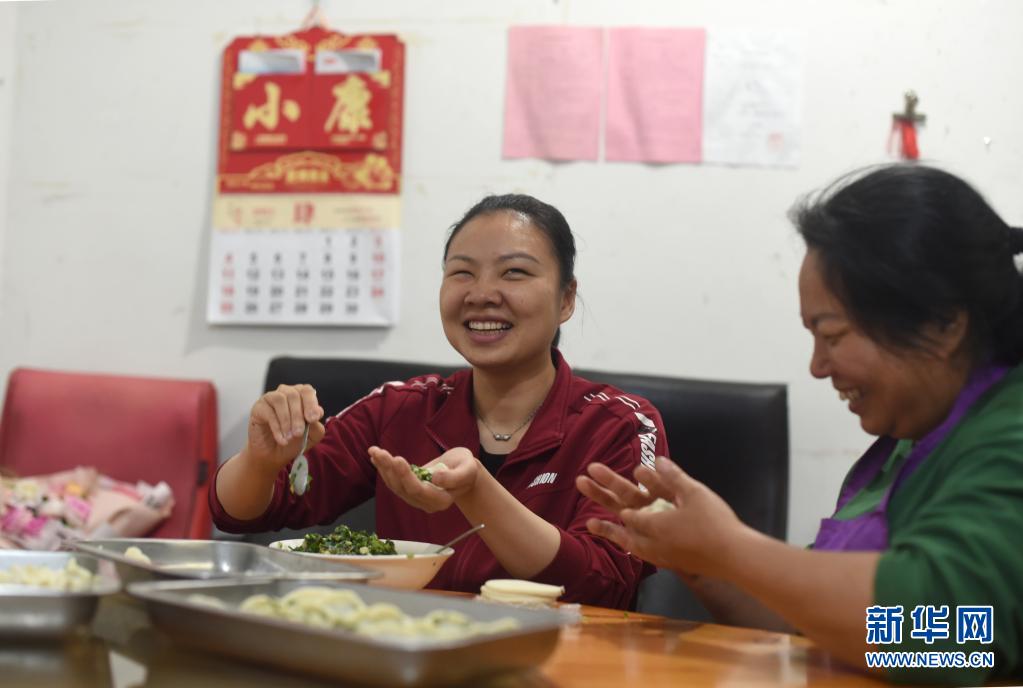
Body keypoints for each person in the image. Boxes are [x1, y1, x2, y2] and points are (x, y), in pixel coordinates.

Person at [577, 164, 1023, 684]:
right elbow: (808, 622)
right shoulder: (907, 444)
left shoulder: (1009, 435)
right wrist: (700, 560)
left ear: (943, 325)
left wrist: (732, 548)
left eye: (831, 334)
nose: (817, 366)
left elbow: (956, 642)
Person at [211, 194, 666, 609]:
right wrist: (260, 461)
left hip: (559, 657)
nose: (481, 294)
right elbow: (246, 511)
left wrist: (477, 491)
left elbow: (606, 581)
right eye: (462, 272)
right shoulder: (399, 408)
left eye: (514, 272)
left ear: (566, 299)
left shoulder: (621, 424)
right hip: (409, 646)